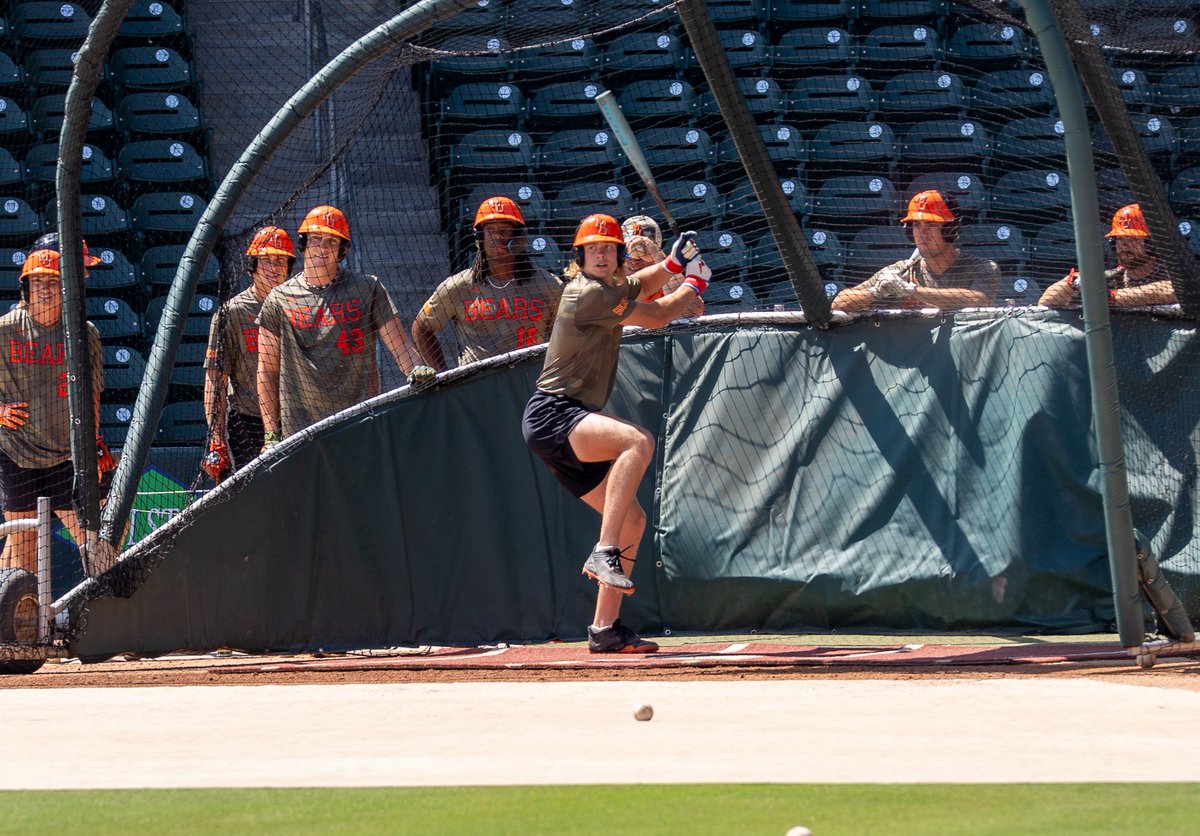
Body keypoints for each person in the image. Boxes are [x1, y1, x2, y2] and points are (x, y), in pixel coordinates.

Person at [522, 213, 710, 654]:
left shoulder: (608, 290)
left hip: (563, 419)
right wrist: (695, 283)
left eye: (609, 248)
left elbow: (639, 285)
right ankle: (604, 551)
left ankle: (604, 629)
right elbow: (659, 314)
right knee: (637, 441)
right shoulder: (586, 294)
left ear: (617, 255)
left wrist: (674, 265)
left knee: (634, 519)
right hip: (553, 414)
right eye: (594, 249)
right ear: (580, 256)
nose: (602, 254)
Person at [256, 205, 435, 446]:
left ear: (342, 249)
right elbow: (267, 372)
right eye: (316, 238)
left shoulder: (367, 288)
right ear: (304, 242)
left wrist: (416, 370)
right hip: (299, 429)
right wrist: (270, 433)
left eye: (331, 241)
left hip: (358, 418)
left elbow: (399, 344)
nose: (322, 247)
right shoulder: (278, 298)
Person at [0, 246, 109, 575]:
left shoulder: (83, 334)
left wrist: (91, 444)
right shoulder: (4, 330)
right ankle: (20, 620)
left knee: (94, 539)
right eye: (36, 283)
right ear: (25, 288)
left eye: (52, 282)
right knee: (24, 546)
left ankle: (109, 603)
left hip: (67, 455)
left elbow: (92, 395)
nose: (44, 290)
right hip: (15, 452)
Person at [411, 196, 563, 371]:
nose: (498, 235)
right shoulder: (457, 287)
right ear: (479, 237)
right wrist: (443, 376)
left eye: (505, 230)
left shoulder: (549, 285)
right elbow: (421, 328)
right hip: (477, 386)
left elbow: (568, 334)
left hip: (528, 384)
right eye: (490, 230)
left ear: (519, 236)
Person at [202, 226, 295, 483]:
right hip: (248, 423)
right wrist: (216, 439)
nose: (274, 267)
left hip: (297, 419)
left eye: (281, 260)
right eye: (266, 260)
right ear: (253, 265)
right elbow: (214, 379)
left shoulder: (300, 307)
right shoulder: (231, 313)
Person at [832, 189, 1001, 312]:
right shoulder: (901, 271)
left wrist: (912, 291)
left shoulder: (982, 267)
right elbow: (839, 303)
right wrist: (875, 293)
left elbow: (980, 300)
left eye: (931, 225)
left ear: (951, 230)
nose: (922, 233)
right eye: (916, 225)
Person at [1037, 203, 1179, 308]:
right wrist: (1074, 281)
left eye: (1133, 239)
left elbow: (1172, 290)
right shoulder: (1111, 277)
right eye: (1119, 240)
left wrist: (1109, 297)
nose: (1124, 245)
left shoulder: (1172, 274)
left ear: (1150, 244)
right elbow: (1046, 303)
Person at [622, 214, 705, 319]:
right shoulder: (610, 281)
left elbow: (691, 313)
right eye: (627, 252)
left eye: (645, 253)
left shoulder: (669, 280)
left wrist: (658, 257)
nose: (634, 261)